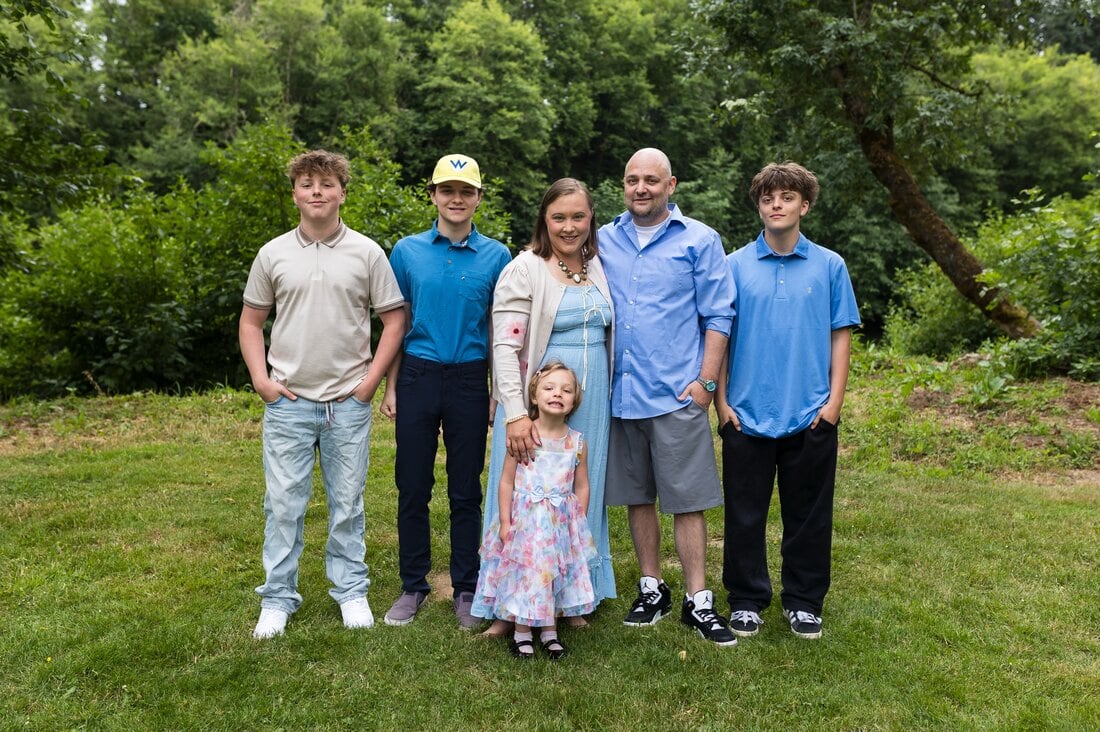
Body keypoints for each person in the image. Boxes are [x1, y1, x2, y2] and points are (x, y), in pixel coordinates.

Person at [240, 149, 406, 639]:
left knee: (348, 503)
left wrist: (369, 383)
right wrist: (261, 380)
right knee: (284, 503)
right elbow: (252, 322)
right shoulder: (273, 254)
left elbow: (394, 320)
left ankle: (351, 590)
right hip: (288, 401)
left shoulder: (367, 252)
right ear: (294, 193)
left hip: (346, 405)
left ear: (342, 193)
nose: (317, 191)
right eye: (308, 183)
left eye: (327, 183)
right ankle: (277, 598)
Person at [598, 147, 737, 647]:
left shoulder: (700, 240)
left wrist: (706, 384)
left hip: (677, 393)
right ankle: (651, 587)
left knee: (687, 500)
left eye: (651, 180)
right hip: (621, 393)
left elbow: (719, 316)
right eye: (633, 179)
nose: (641, 188)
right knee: (638, 497)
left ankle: (698, 600)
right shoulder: (603, 240)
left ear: (671, 185)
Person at [716, 162, 860, 640]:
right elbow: (719, 334)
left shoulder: (830, 265)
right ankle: (746, 599)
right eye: (767, 198)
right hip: (746, 413)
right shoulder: (733, 266)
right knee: (743, 514)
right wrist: (722, 404)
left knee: (809, 516)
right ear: (759, 206)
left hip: (811, 412)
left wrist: (833, 403)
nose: (776, 205)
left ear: (805, 205)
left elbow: (841, 335)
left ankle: (803, 601)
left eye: (786, 197)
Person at [471, 178, 617, 636]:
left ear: (591, 218)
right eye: (559, 217)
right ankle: (507, 600)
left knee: (575, 494)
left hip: (590, 401)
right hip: (538, 401)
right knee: (520, 493)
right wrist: (516, 413)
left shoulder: (597, 266)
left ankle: (573, 596)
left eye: (578, 216)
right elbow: (505, 347)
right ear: (544, 220)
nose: (569, 226)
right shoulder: (525, 269)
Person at [379, 154, 512, 630]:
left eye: (467, 191)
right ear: (432, 194)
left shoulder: (498, 256)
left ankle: (466, 586)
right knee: (412, 485)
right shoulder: (407, 251)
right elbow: (398, 324)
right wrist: (392, 386)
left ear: (478, 197)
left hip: (470, 379)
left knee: (465, 488)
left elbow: (502, 328)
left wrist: (499, 389)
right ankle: (413, 585)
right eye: (447, 190)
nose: (457, 199)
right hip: (418, 373)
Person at [473, 361, 597, 660]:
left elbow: (582, 485)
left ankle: (550, 632)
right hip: (525, 523)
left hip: (558, 524)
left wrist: (575, 522)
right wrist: (505, 521)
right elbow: (505, 481)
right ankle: (521, 632)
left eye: (566, 390)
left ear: (574, 400)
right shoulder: (524, 436)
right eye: (549, 388)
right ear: (535, 395)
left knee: (550, 575)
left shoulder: (576, 442)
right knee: (526, 575)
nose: (558, 394)